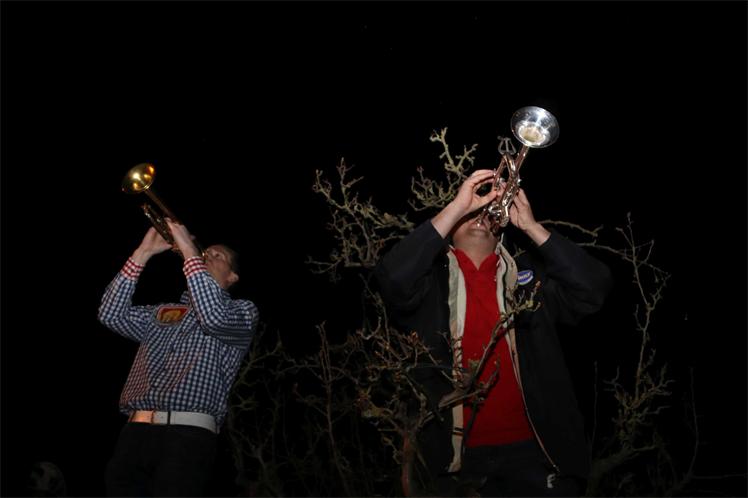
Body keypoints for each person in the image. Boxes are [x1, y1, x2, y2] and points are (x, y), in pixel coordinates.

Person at [374, 170, 612, 496]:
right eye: (469, 214)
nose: (479, 217)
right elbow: (391, 278)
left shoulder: (530, 282)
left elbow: (593, 288)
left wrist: (531, 226)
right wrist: (457, 207)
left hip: (535, 455)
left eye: (487, 213)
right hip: (457, 464)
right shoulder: (428, 286)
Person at [98, 220, 259, 497]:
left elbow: (212, 317)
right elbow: (110, 315)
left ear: (233, 277)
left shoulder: (242, 311)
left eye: (218, 255)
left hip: (188, 437)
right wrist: (142, 254)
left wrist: (189, 250)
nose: (207, 254)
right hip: (135, 433)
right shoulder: (163, 311)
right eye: (206, 251)